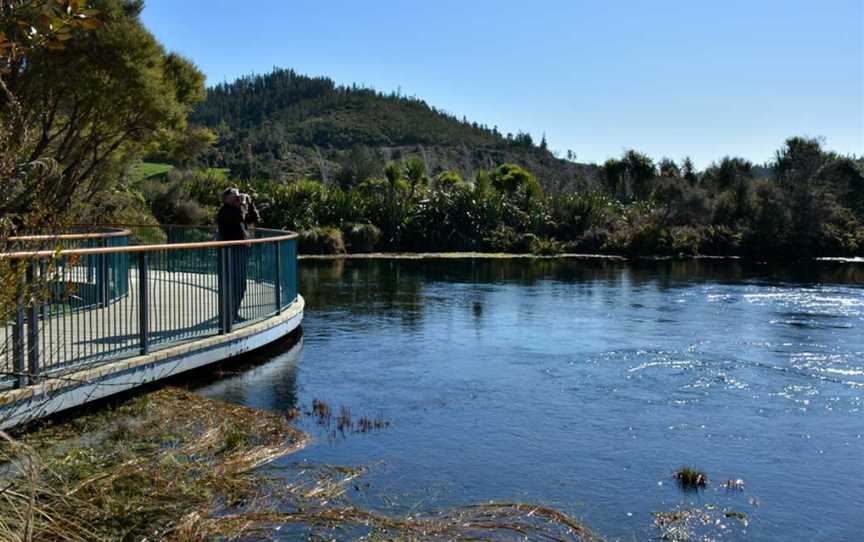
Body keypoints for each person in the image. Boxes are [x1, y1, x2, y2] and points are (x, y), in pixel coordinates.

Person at [216, 188, 260, 322]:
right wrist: (242, 204)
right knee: (232, 284)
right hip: (230, 251)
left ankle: (233, 314)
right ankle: (227, 316)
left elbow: (254, 218)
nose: (238, 198)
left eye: (238, 196)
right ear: (226, 198)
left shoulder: (238, 210)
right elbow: (240, 217)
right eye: (235, 196)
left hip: (240, 250)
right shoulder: (225, 211)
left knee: (240, 285)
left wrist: (250, 203)